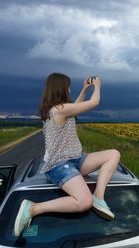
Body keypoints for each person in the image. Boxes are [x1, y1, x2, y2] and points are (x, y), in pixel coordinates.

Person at [13, 72, 121, 237]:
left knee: (113, 154)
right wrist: (97, 86)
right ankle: (33, 208)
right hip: (59, 166)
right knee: (84, 201)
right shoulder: (58, 110)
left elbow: (75, 108)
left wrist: (85, 89)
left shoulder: (59, 109)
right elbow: (95, 102)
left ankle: (99, 196)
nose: (70, 89)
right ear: (62, 88)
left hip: (76, 159)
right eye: (68, 86)